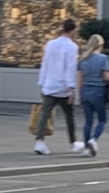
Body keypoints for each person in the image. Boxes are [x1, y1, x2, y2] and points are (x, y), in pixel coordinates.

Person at [32, 19, 80, 154]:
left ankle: (39, 141)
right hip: (63, 87)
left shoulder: (51, 44)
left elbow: (45, 64)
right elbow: (70, 68)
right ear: (73, 30)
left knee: (44, 114)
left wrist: (42, 83)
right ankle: (73, 142)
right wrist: (71, 88)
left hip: (49, 84)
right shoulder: (72, 47)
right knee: (69, 116)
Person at [76, 32, 109, 157]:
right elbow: (106, 76)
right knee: (102, 119)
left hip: (85, 90)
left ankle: (86, 147)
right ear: (100, 45)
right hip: (99, 91)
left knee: (88, 121)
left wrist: (80, 94)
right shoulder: (103, 59)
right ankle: (94, 139)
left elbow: (80, 79)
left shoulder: (82, 59)